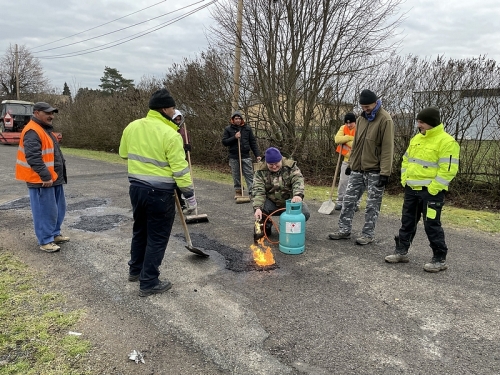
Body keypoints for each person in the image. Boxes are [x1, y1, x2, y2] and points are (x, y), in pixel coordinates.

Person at [119, 88, 197, 297]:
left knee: (140, 230)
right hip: (159, 194)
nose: (174, 112)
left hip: (136, 189)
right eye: (172, 108)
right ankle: (149, 281)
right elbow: (181, 172)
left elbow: (123, 154)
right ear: (164, 108)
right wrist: (190, 197)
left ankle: (135, 271)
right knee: (157, 237)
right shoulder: (170, 135)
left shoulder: (132, 127)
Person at [385, 107, 460, 272]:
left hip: (431, 192)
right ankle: (401, 252)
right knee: (407, 222)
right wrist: (405, 180)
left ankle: (439, 259)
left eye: (421, 122)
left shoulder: (447, 142)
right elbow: (406, 160)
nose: (418, 125)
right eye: (418, 121)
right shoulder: (416, 139)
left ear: (431, 122)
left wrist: (434, 188)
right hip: (411, 189)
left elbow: (449, 169)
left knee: (431, 225)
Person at [328, 89, 394, 245]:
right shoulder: (361, 120)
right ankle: (344, 230)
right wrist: (351, 163)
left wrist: (385, 172)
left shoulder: (385, 120)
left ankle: (367, 234)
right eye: (363, 107)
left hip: (375, 170)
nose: (365, 109)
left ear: (375, 102)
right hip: (358, 168)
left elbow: (387, 149)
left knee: (372, 204)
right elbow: (356, 145)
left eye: (368, 106)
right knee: (348, 200)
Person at [15, 102, 69, 253]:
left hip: (54, 179)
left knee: (58, 209)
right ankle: (45, 241)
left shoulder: (45, 130)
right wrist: (45, 176)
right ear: (37, 113)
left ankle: (54, 234)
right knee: (44, 211)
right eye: (48, 113)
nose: (51, 116)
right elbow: (33, 157)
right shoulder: (32, 131)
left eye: (52, 113)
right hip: (41, 180)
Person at [253, 147, 310, 235]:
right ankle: (266, 225)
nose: (274, 166)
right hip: (271, 202)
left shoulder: (290, 167)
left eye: (276, 163)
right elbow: (258, 190)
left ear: (281, 160)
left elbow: (298, 180)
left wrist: (298, 195)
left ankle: (290, 227)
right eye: (271, 164)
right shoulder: (260, 171)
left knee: (304, 212)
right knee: (260, 210)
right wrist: (257, 208)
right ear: (266, 163)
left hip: (290, 202)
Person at [222, 111, 261, 200]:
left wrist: (257, 154)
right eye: (236, 118)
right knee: (236, 175)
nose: (238, 120)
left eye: (239, 118)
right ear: (233, 120)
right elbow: (224, 142)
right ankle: (238, 191)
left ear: (242, 119)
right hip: (234, 156)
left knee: (249, 174)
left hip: (245, 155)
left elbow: (253, 142)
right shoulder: (228, 129)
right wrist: (234, 137)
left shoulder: (247, 128)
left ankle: (252, 192)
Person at [334, 112, 361, 211]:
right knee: (343, 182)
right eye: (347, 123)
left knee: (357, 183)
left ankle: (356, 203)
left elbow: (358, 143)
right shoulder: (343, 128)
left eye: (351, 123)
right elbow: (337, 139)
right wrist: (350, 138)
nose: (349, 125)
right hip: (346, 160)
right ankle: (340, 202)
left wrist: (345, 139)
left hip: (358, 161)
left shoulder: (359, 128)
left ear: (355, 122)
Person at [172, 109, 191, 213]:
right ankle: (174, 205)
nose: (178, 121)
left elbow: (189, 145)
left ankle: (183, 204)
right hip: (171, 161)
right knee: (171, 185)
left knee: (181, 184)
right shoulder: (169, 131)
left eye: (179, 119)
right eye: (176, 119)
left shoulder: (184, 132)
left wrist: (188, 147)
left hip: (181, 161)